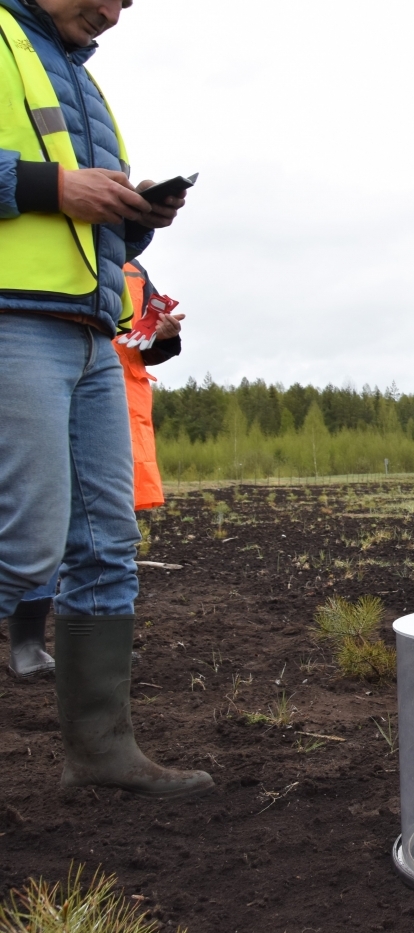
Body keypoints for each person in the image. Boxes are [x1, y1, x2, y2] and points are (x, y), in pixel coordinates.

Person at [0, 0, 212, 796]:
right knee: (24, 544)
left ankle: (99, 753)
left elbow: (91, 231)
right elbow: (50, 196)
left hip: (92, 331)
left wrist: (137, 217)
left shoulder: (85, 85)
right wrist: (53, 186)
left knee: (105, 546)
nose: (117, 10)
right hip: (13, 318)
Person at [5, 259, 183, 678]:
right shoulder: (40, 234)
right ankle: (27, 645)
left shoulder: (131, 266)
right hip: (38, 386)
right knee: (37, 527)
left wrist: (164, 335)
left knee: (106, 532)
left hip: (112, 400)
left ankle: (91, 654)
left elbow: (144, 343)